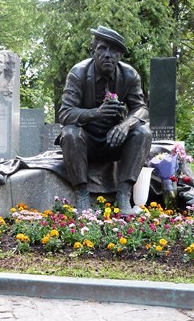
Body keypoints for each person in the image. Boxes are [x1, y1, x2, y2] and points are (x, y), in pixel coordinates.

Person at [58, 26, 152, 214]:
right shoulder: (78, 73)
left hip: (115, 141)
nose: (108, 55)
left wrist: (125, 125)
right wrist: (96, 113)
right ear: (93, 51)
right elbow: (65, 114)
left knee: (143, 132)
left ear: (120, 56)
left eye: (114, 51)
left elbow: (141, 109)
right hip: (87, 142)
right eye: (102, 49)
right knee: (69, 133)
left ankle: (124, 194)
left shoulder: (129, 75)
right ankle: (82, 195)